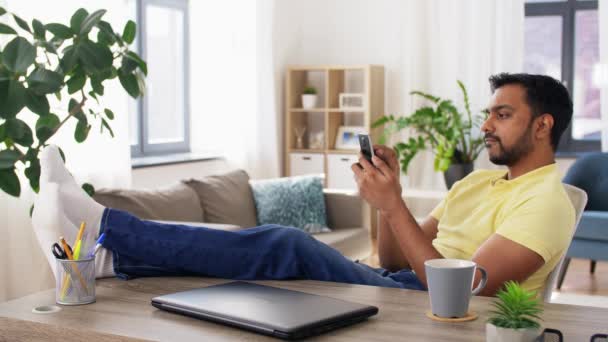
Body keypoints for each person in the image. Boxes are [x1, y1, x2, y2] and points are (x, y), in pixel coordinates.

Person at [33, 73, 574, 297]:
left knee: (282, 243)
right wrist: (389, 203)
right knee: (259, 268)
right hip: (399, 285)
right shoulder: (478, 185)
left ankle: (103, 229)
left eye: (502, 115)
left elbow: (464, 289)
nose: (484, 126)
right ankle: (110, 257)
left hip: (438, 308)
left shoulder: (548, 202)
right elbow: (391, 259)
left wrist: (394, 208)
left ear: (542, 125)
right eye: (488, 114)